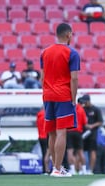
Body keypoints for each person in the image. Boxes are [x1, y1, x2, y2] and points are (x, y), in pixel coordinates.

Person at [40, 22, 80, 177]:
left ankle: (54, 167)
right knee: (61, 132)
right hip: (63, 95)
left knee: (51, 133)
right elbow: (74, 78)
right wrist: (73, 98)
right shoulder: (72, 53)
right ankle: (57, 169)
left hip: (48, 95)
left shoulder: (45, 52)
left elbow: (42, 77)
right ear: (68, 34)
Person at [81, 94, 103, 175]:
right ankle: (81, 169)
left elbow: (100, 122)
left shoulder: (96, 109)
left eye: (85, 102)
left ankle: (90, 170)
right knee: (81, 151)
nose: (84, 103)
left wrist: (92, 126)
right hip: (83, 133)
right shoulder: (82, 109)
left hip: (92, 133)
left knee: (92, 151)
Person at [66, 99, 88, 175]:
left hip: (69, 131)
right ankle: (84, 169)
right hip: (78, 132)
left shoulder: (69, 108)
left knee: (70, 151)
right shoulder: (81, 110)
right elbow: (85, 122)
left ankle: (72, 169)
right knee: (80, 152)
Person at [36, 107, 50, 174]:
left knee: (44, 153)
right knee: (49, 153)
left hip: (41, 136)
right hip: (47, 136)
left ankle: (44, 170)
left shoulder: (39, 115)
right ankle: (48, 169)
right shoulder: (47, 115)